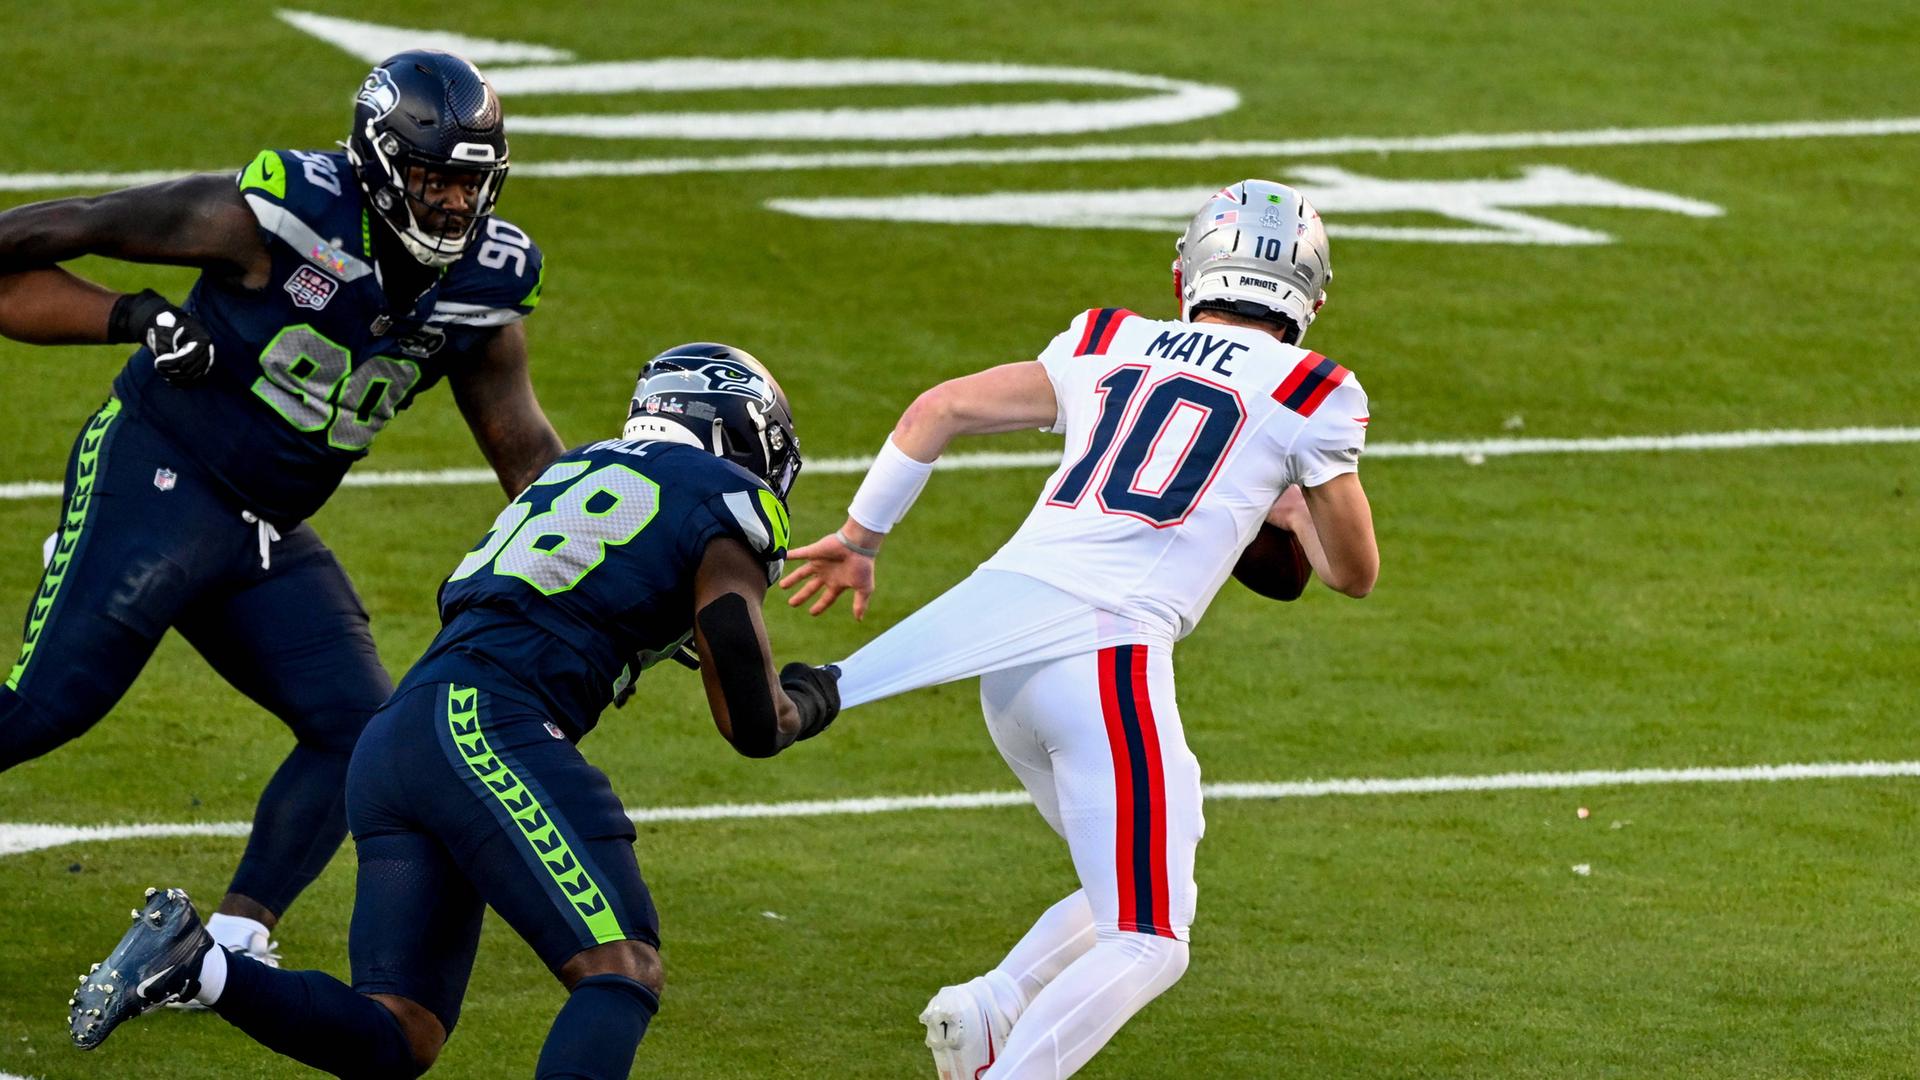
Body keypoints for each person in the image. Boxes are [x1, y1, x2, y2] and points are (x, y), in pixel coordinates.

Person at [66, 344, 841, 1080]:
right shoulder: (724, 498)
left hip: (401, 736)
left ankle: (196, 967)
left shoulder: (574, 471)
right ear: (732, 430)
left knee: (401, 1032)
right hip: (490, 726)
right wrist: (809, 700)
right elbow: (751, 722)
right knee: (619, 968)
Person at [779, 180, 1380, 1079]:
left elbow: (935, 410)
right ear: (1313, 300)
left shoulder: (1110, 338)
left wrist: (861, 541)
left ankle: (990, 1008)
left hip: (1007, 660)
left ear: (1186, 273)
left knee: (1143, 878)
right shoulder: (1313, 388)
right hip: (1107, 661)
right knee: (1152, 940)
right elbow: (1353, 574)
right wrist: (1291, 509)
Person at [0, 49, 563, 963]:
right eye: (431, 178)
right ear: (380, 162)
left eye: (470, 183)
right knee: (39, 712)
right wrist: (134, 317)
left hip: (266, 526)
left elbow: (522, 444)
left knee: (357, 730)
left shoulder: (487, 284)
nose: (454, 205)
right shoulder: (281, 211)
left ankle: (221, 947)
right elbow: (79, 226)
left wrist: (608, 557)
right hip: (160, 475)